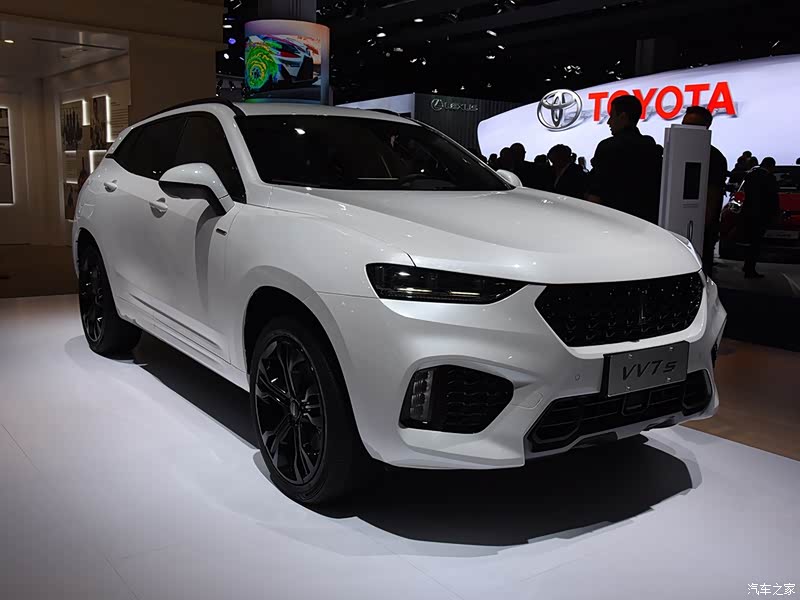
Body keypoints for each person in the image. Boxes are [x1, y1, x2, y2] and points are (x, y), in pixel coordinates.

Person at [586, 94, 663, 224]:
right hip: (645, 223)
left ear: (623, 116)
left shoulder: (608, 147)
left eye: (612, 116)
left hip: (612, 222)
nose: (609, 122)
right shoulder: (650, 146)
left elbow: (595, 194)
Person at [681, 106, 728, 276]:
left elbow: (713, 196)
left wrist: (703, 228)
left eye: (692, 126)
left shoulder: (714, 157)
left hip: (700, 230)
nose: (686, 130)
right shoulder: (675, 152)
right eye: (684, 125)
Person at [741, 156, 780, 278]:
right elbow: (773, 198)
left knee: (750, 241)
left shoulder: (750, 175)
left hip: (749, 212)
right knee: (756, 242)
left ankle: (747, 265)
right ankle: (750, 269)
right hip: (761, 214)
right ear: (771, 166)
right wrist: (775, 213)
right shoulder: (769, 178)